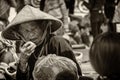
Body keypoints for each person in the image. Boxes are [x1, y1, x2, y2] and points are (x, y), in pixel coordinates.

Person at [2, 5, 82, 80]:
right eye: (25, 31)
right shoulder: (26, 51)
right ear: (20, 35)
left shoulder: (58, 43)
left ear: (43, 27)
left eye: (33, 29)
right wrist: (23, 61)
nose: (30, 34)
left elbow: (75, 74)